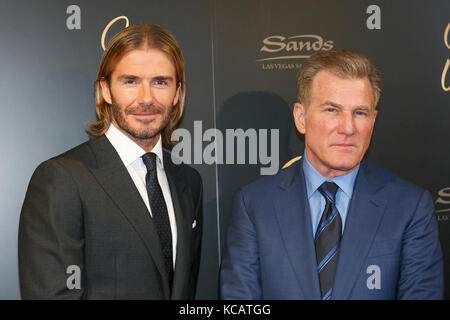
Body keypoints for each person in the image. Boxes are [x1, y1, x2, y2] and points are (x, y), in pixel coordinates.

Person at [220, 49, 443, 300]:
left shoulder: (409, 207)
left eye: (360, 112)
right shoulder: (254, 205)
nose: (348, 128)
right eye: (332, 110)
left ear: (373, 120)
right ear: (301, 118)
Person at [18, 23, 203, 299]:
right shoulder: (63, 179)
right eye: (130, 81)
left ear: (177, 93)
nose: (146, 99)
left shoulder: (189, 182)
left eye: (160, 82)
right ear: (105, 90)